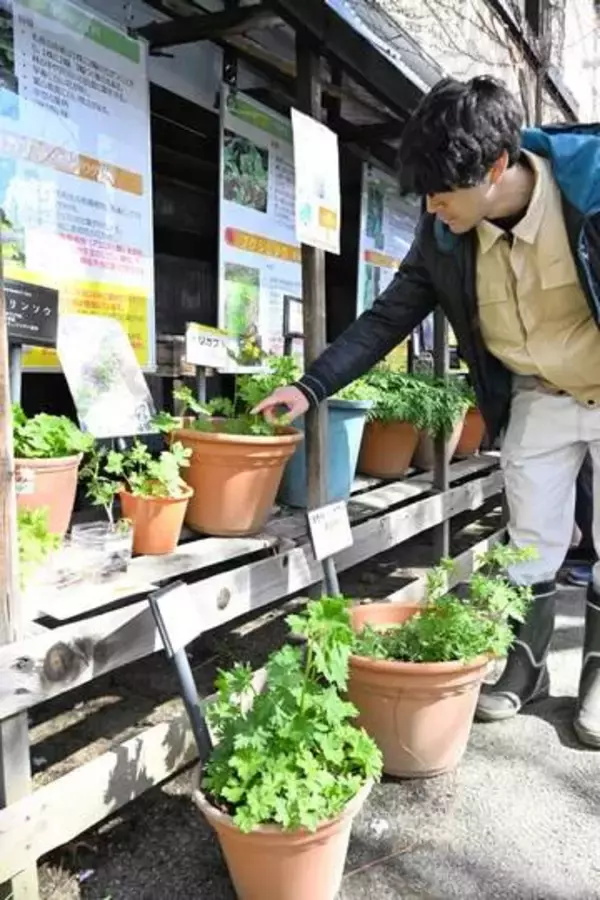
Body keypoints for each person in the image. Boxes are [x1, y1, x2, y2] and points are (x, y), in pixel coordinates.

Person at [253, 76, 600, 748]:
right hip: (536, 396)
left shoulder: (589, 193)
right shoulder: (446, 232)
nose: (433, 207)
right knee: (531, 541)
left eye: (442, 193)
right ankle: (522, 667)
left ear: (497, 167)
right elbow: (390, 314)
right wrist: (311, 387)